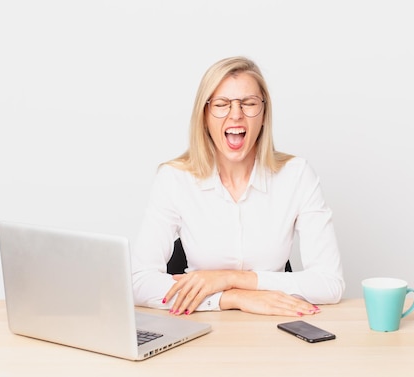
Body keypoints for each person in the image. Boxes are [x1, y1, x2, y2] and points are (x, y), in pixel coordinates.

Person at [132, 56, 344, 317]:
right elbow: (138, 282)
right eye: (221, 104)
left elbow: (330, 284)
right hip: (200, 326)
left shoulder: (297, 175)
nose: (236, 114)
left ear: (264, 114)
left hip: (274, 330)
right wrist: (231, 297)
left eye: (249, 104)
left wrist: (230, 278)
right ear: (205, 116)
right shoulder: (174, 178)